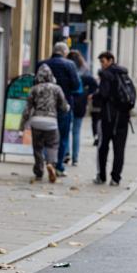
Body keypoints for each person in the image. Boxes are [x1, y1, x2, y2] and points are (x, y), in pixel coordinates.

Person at [20, 64, 70, 183]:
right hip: (51, 121)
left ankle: (39, 171)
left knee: (37, 147)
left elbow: (27, 109)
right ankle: (50, 164)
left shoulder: (34, 89)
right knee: (52, 145)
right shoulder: (57, 88)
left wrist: (21, 126)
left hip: (36, 121)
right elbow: (63, 106)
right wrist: (67, 107)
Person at [37, 42, 81, 177]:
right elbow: (76, 85)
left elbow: (36, 83)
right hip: (64, 105)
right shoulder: (70, 65)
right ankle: (59, 166)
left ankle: (48, 160)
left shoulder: (42, 64)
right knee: (62, 137)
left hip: (44, 106)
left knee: (44, 136)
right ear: (64, 52)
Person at [93, 51, 133, 186]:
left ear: (110, 60)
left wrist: (95, 96)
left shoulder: (106, 75)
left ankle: (102, 176)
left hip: (108, 117)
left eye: (103, 61)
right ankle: (116, 178)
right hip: (123, 117)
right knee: (119, 149)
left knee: (103, 147)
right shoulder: (124, 73)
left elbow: (103, 95)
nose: (102, 65)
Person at [67, 50, 98, 166]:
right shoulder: (85, 73)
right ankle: (75, 158)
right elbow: (94, 85)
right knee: (76, 131)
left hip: (67, 101)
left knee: (66, 130)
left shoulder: (67, 69)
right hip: (80, 103)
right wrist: (88, 94)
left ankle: (66, 153)